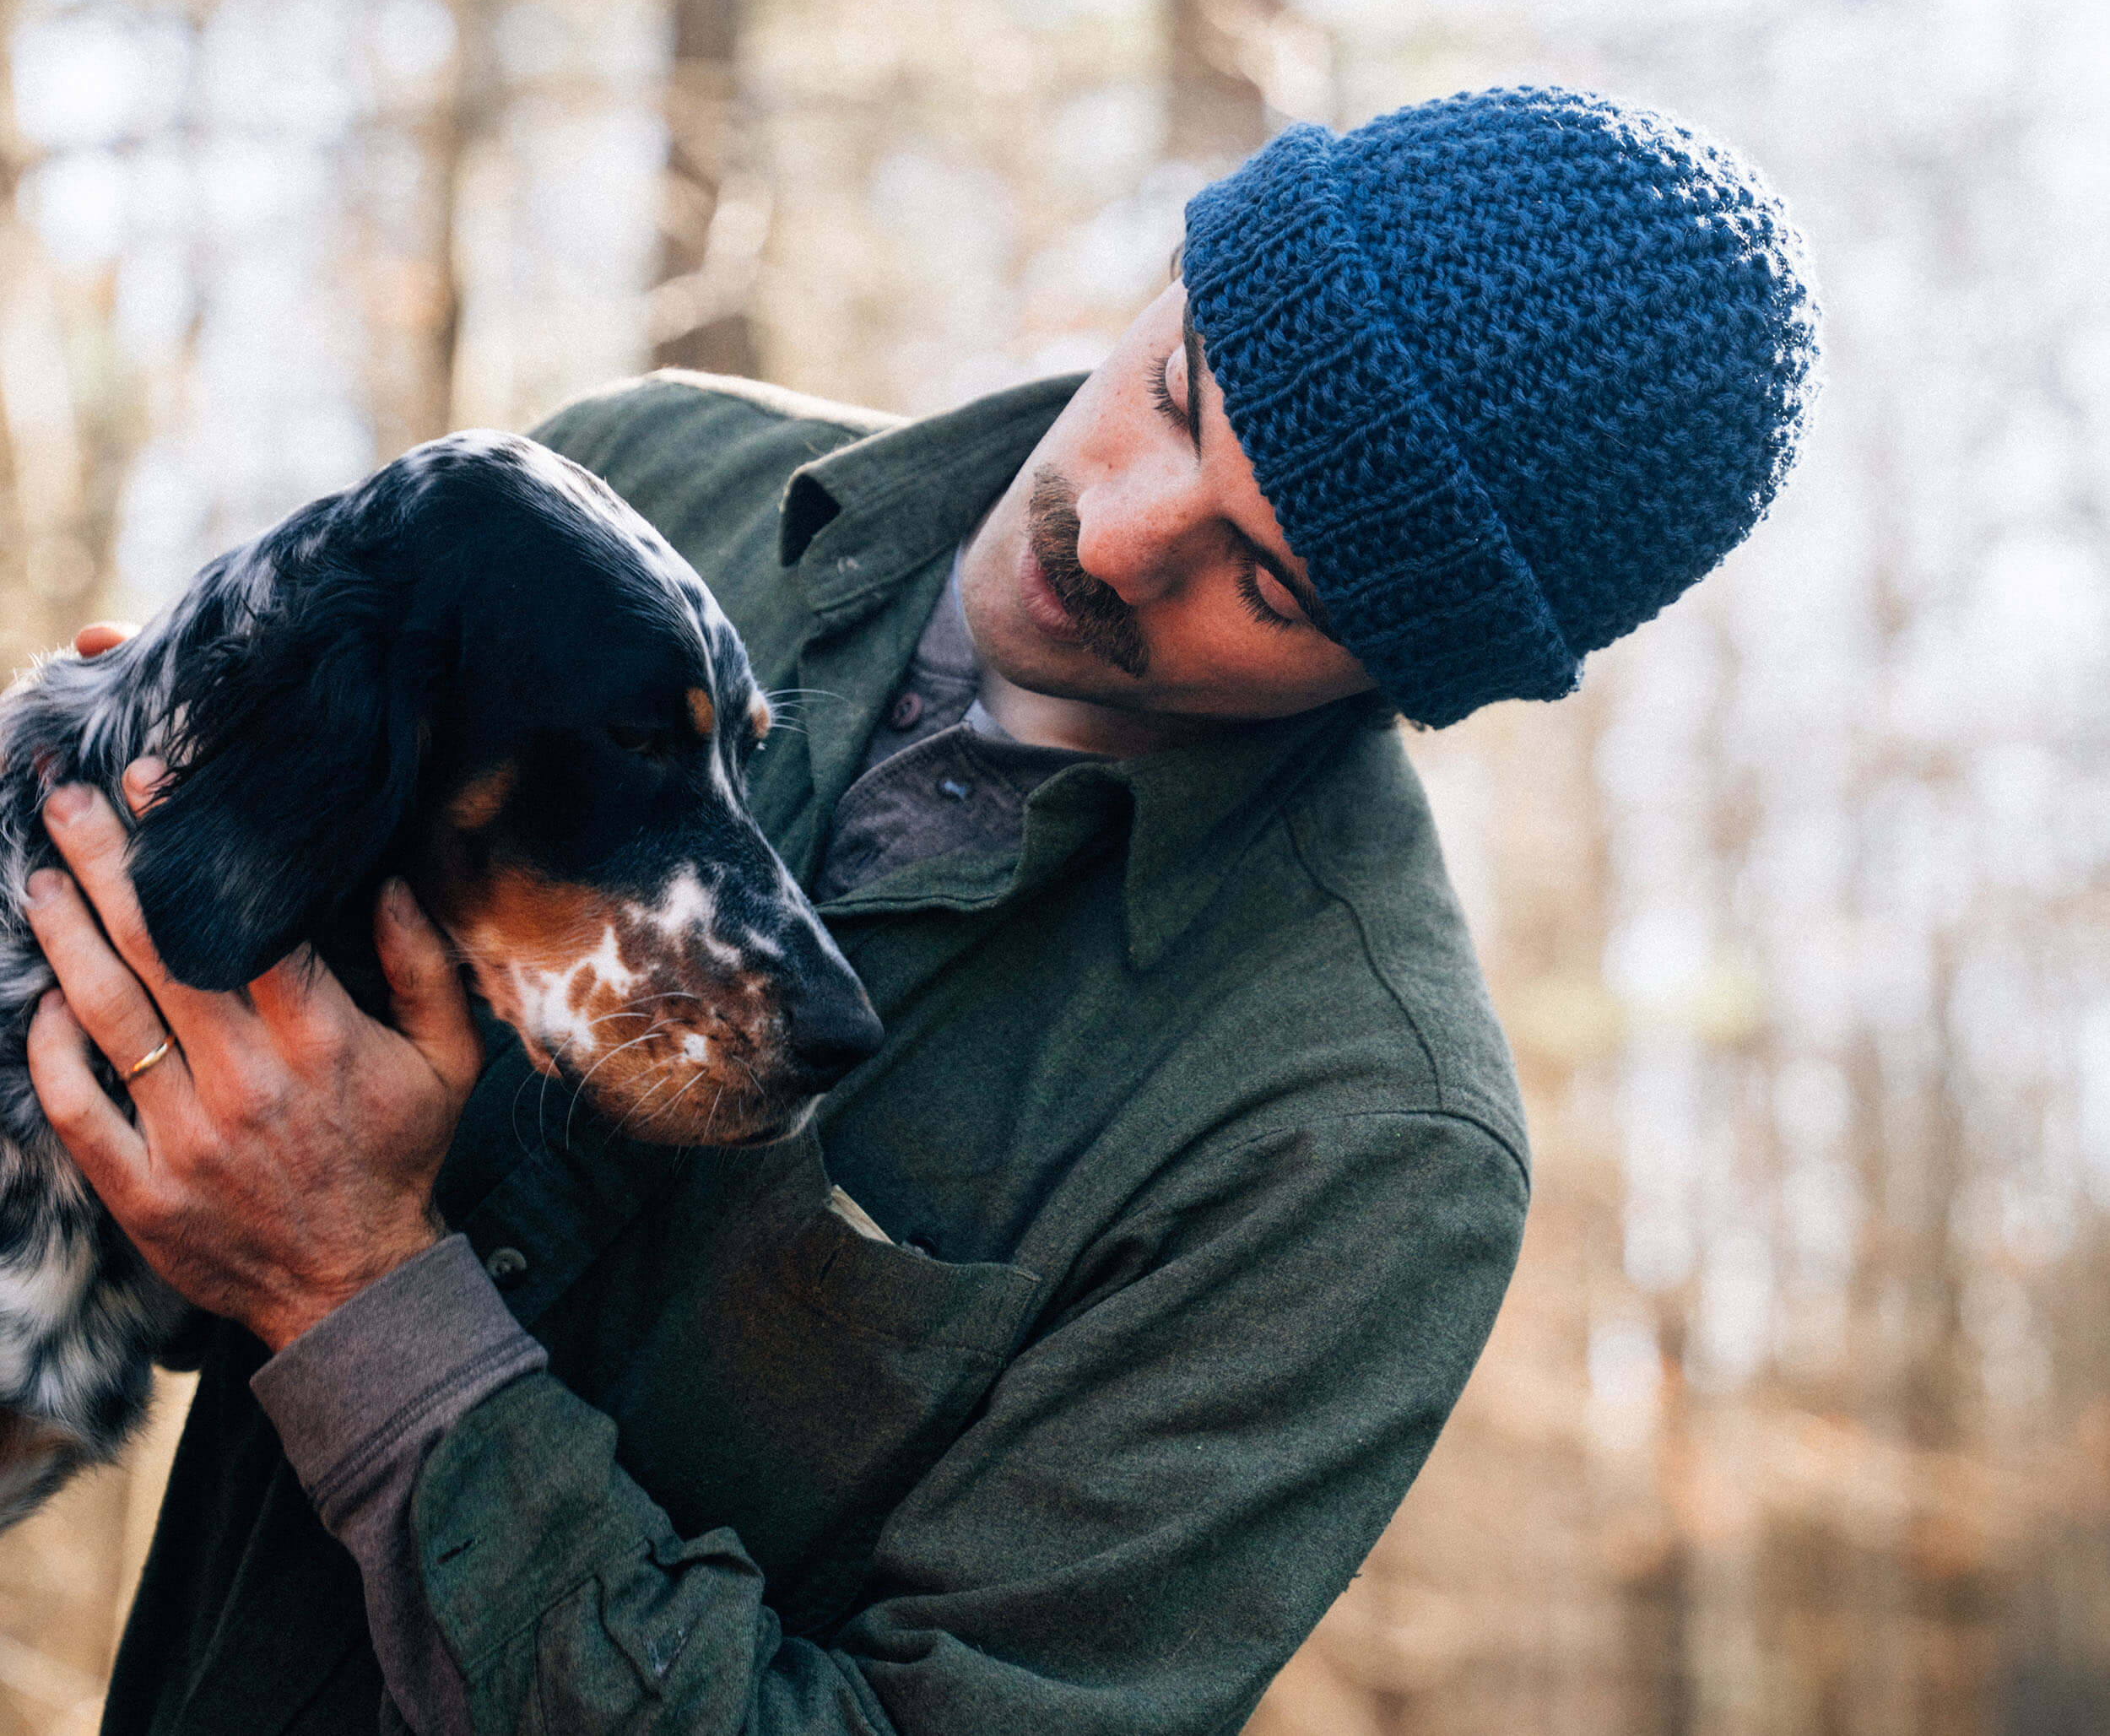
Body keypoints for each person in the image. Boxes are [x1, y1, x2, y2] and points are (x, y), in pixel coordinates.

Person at [23, 87, 1818, 1736]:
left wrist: (360, 1293)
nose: (1119, 530)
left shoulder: (1354, 1143)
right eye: (1178, 389)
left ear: (1403, 675)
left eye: (1261, 577)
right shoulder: (647, 475)